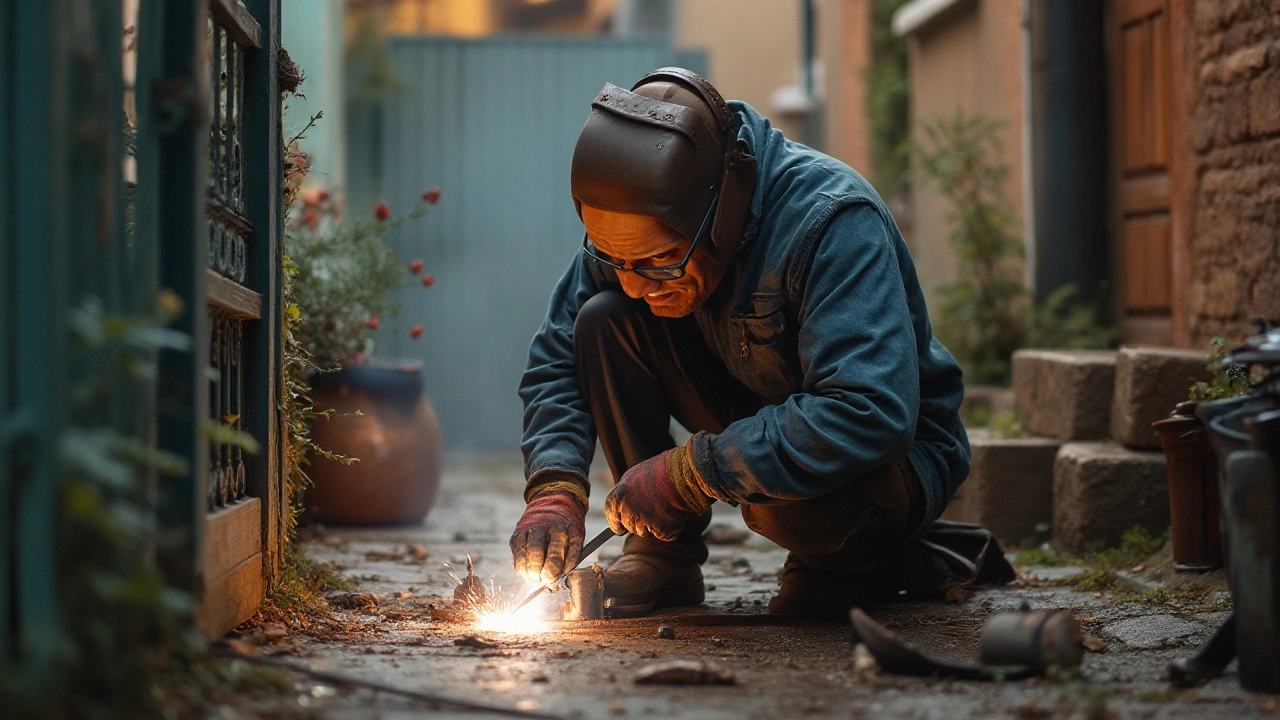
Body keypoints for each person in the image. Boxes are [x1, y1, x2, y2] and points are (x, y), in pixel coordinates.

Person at [510, 67, 1007, 619]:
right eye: (613, 258)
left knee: (792, 517)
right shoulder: (634, 236)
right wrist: (554, 486)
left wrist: (697, 469)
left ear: (721, 213)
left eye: (658, 263)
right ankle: (661, 555)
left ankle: (843, 559)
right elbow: (557, 357)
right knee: (604, 318)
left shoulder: (832, 222)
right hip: (760, 407)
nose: (633, 282)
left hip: (889, 455)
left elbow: (868, 411)